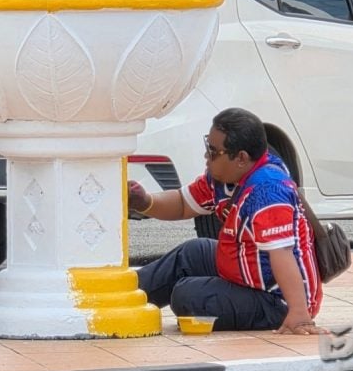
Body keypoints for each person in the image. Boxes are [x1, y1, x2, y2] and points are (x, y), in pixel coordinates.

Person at [130, 108, 325, 336]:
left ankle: (292, 312)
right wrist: (144, 201)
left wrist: (299, 314)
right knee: (193, 251)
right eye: (207, 147)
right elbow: (183, 203)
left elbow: (282, 254)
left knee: (187, 295)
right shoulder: (224, 178)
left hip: (276, 299)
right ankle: (123, 298)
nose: (206, 157)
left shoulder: (268, 190)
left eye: (213, 152)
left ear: (240, 158)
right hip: (244, 272)